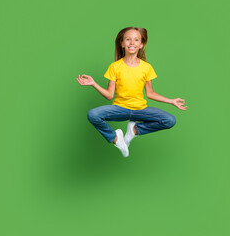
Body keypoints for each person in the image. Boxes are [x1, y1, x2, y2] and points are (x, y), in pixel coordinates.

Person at [76, 27, 187, 158]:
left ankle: (134, 130)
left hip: (140, 110)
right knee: (93, 114)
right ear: (122, 44)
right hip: (120, 109)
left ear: (141, 45)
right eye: (128, 39)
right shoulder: (115, 67)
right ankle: (116, 139)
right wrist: (94, 84)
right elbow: (109, 95)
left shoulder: (146, 67)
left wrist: (171, 101)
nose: (132, 43)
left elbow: (150, 93)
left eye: (136, 40)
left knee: (169, 120)